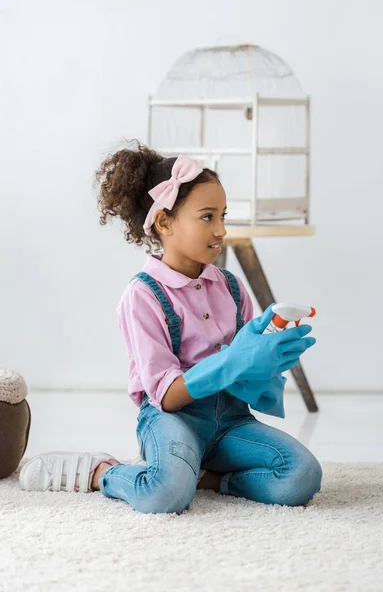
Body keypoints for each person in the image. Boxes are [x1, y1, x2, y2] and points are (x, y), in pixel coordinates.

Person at [20, 141, 322, 512]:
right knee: (164, 494)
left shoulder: (231, 286)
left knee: (302, 475)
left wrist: (266, 364)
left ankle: (206, 478)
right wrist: (234, 361)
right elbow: (165, 395)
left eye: (223, 215)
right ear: (164, 222)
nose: (221, 230)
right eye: (208, 216)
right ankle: (101, 472)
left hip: (230, 421)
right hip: (172, 420)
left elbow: (246, 386)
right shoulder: (143, 295)